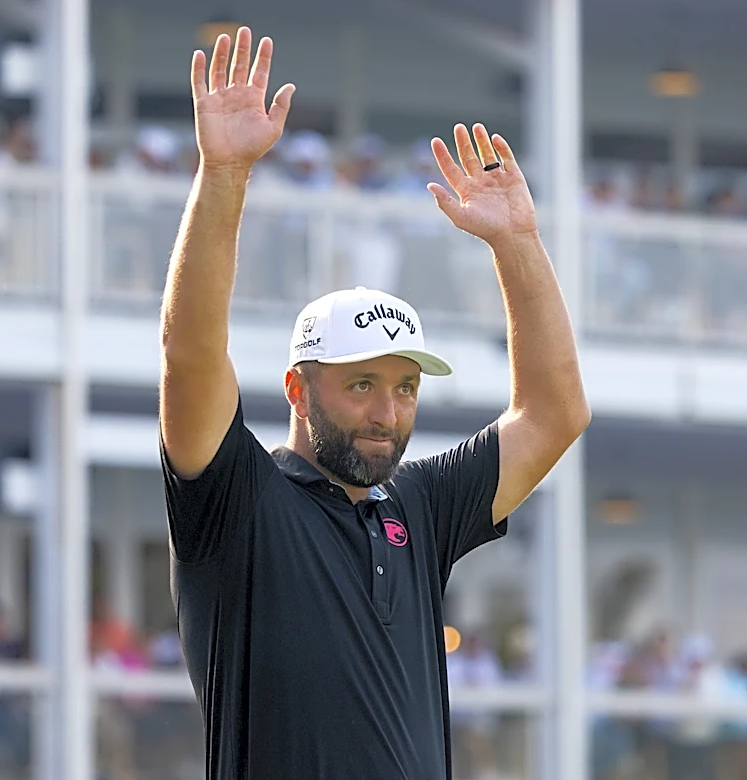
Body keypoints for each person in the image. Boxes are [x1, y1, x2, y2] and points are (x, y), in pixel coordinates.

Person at [159, 27, 590, 780]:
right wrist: (224, 173)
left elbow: (556, 414)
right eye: (362, 385)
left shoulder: (417, 507)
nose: (389, 414)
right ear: (298, 388)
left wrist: (518, 242)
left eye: (406, 388)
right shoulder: (236, 499)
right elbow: (190, 354)